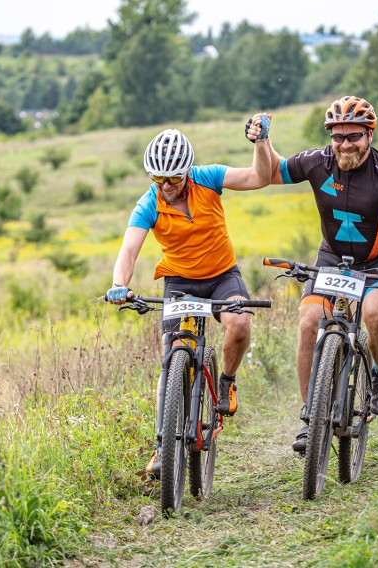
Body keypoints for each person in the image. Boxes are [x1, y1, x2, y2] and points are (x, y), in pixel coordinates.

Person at [255, 96, 378, 453]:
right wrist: (262, 140)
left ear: (370, 135)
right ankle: (311, 415)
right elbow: (270, 172)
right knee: (309, 320)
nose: (345, 144)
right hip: (332, 256)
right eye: (338, 137)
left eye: (354, 136)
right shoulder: (317, 161)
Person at [106, 120, 272, 475]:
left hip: (221, 276)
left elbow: (258, 177)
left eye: (174, 179)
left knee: (239, 324)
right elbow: (129, 249)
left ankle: (226, 380)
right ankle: (163, 446)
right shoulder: (149, 203)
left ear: (187, 171)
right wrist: (120, 284)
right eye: (158, 180)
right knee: (171, 356)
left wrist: (261, 143)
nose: (166, 187)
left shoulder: (208, 178)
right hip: (179, 281)